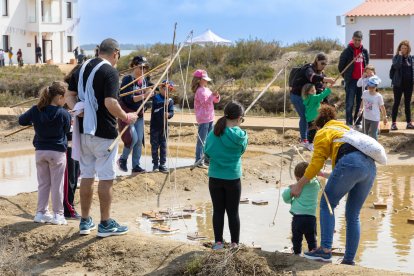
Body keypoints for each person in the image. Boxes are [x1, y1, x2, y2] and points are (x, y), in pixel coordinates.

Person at [65, 38, 138, 237]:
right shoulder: (110, 71)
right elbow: (110, 102)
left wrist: (76, 110)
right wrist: (126, 117)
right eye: (119, 56)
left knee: (87, 175)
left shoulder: (81, 68)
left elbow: (68, 95)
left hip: (82, 132)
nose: (118, 59)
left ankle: (85, 220)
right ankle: (105, 223)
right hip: (104, 133)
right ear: (115, 52)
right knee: (106, 177)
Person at [290, 105, 377, 265]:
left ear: (318, 125)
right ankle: (349, 259)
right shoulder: (345, 130)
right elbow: (350, 165)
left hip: (351, 162)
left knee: (326, 204)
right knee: (353, 214)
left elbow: (316, 164)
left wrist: (299, 185)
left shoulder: (323, 132)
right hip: (370, 167)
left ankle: (325, 250)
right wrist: (324, 174)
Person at [18, 81, 71, 225]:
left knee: (43, 184)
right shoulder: (64, 113)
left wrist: (35, 122)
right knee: (57, 185)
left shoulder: (36, 109)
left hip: (40, 151)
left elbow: (21, 120)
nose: (65, 100)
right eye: (65, 97)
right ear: (59, 97)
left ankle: (40, 213)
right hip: (57, 152)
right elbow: (66, 131)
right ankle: (58, 215)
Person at [204, 101, 248, 250]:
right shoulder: (241, 136)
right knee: (233, 211)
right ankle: (235, 243)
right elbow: (242, 151)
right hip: (233, 178)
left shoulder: (213, 132)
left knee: (217, 210)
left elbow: (207, 152)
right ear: (239, 118)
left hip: (215, 178)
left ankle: (218, 243)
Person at [290, 53, 335, 150]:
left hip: (309, 98)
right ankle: (304, 140)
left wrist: (326, 103)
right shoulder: (309, 69)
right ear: (317, 60)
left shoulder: (322, 74)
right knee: (304, 117)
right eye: (322, 63)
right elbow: (312, 77)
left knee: (311, 119)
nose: (323, 66)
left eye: (325, 64)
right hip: (297, 96)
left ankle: (310, 140)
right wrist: (326, 79)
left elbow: (320, 90)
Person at [117, 56, 153, 173]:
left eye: (145, 67)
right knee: (133, 138)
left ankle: (136, 165)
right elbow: (128, 98)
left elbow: (151, 89)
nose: (143, 69)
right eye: (141, 67)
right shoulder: (128, 79)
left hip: (139, 115)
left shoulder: (145, 80)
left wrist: (152, 91)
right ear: (133, 66)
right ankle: (122, 159)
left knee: (139, 141)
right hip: (127, 114)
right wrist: (144, 96)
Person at [282, 162, 320, 255]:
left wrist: (291, 188)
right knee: (311, 238)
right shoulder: (316, 185)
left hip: (298, 218)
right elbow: (314, 178)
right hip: (311, 218)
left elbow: (285, 198)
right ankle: (313, 252)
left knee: (296, 238)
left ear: (298, 178)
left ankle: (297, 253)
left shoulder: (296, 187)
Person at [338, 31, 369, 127]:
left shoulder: (364, 51)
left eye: (359, 40)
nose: (357, 42)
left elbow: (366, 65)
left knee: (360, 103)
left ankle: (358, 121)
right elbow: (341, 67)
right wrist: (347, 77)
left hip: (362, 81)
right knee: (350, 103)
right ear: (352, 38)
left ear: (361, 40)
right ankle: (349, 122)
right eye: (355, 40)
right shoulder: (347, 51)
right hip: (351, 81)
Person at [63, 66, 82, 219]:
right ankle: (68, 208)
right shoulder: (66, 94)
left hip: (77, 143)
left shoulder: (81, 95)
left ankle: (70, 206)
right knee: (69, 179)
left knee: (76, 176)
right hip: (67, 144)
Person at [192, 69, 220, 168]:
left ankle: (207, 159)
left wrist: (216, 96)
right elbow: (205, 102)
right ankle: (199, 160)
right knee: (202, 140)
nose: (206, 81)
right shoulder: (199, 91)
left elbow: (214, 101)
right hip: (203, 118)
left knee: (209, 139)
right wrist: (212, 96)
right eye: (204, 79)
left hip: (210, 117)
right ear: (199, 80)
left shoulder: (207, 89)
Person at [150, 80, 174, 172]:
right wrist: (164, 104)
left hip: (164, 127)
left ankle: (162, 164)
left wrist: (168, 114)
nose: (167, 92)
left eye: (169, 90)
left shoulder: (170, 100)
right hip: (155, 127)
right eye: (165, 89)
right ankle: (155, 164)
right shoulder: (156, 98)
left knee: (163, 146)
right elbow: (156, 105)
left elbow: (172, 112)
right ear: (160, 88)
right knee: (154, 146)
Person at [390, 40, 414, 130]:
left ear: (408, 49)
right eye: (402, 48)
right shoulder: (396, 57)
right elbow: (396, 66)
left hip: (409, 85)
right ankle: (393, 124)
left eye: (405, 48)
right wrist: (400, 56)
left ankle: (409, 123)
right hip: (398, 84)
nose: (403, 49)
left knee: (407, 104)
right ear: (400, 49)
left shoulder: (411, 58)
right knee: (396, 103)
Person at [302, 83, 331, 148]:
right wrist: (328, 89)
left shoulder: (308, 98)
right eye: (312, 90)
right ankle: (310, 144)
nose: (314, 91)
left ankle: (309, 142)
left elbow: (318, 99)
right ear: (308, 92)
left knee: (311, 130)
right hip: (314, 117)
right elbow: (322, 95)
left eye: (314, 89)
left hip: (310, 117)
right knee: (314, 131)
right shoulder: (313, 98)